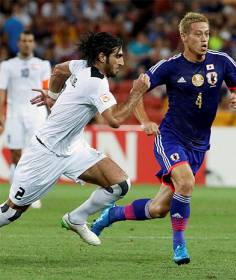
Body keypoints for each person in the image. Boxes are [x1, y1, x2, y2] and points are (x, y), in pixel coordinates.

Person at [91, 12, 236, 265]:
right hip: (171, 138)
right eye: (198, 34)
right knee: (186, 182)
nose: (204, 39)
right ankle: (179, 246)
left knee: (158, 209)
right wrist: (144, 121)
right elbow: (137, 90)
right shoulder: (169, 66)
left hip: (199, 144)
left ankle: (112, 215)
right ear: (184, 36)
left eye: (207, 34)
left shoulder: (222, 61)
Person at [0, 32, 149, 247]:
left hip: (73, 148)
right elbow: (114, 120)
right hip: (45, 153)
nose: (122, 62)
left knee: (120, 184)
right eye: (117, 56)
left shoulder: (81, 66)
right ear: (101, 56)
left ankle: (76, 219)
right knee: (11, 212)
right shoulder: (96, 83)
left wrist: (52, 96)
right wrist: (137, 93)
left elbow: (59, 69)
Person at [0, 30, 51, 209]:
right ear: (18, 43)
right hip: (14, 113)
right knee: (15, 153)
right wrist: (1, 114)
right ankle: (17, 193)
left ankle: (30, 194)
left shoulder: (43, 64)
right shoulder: (7, 65)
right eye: (24, 40)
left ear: (34, 44)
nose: (27, 43)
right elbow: (2, 91)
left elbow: (48, 89)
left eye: (30, 40)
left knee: (34, 153)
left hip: (36, 113)